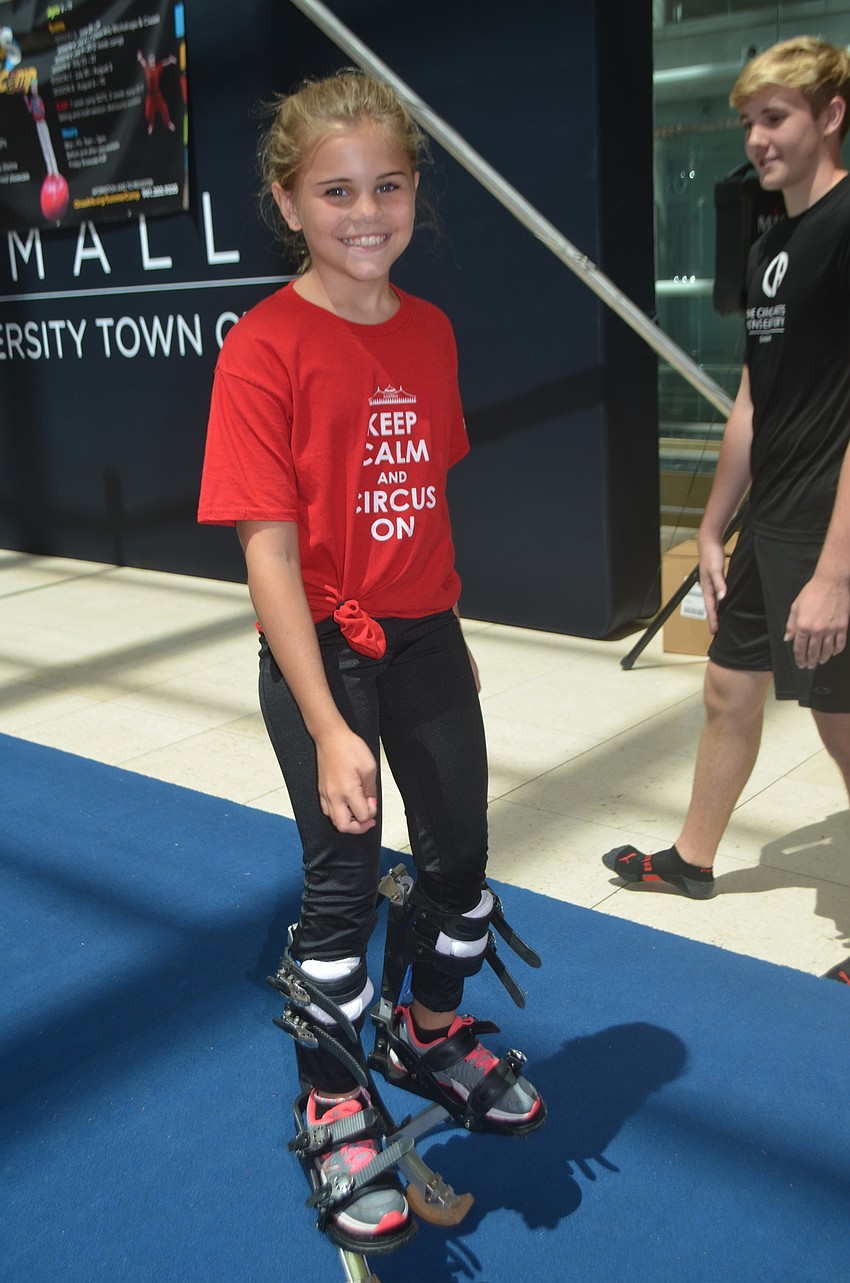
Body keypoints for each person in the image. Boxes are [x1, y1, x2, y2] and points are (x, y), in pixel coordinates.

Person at [198, 70, 543, 1254]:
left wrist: (451, 634)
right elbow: (268, 554)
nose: (365, 210)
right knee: (344, 879)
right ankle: (335, 1093)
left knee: (460, 858)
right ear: (287, 203)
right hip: (319, 652)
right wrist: (331, 722)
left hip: (424, 634)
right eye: (334, 190)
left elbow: (420, 501)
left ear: (413, 196)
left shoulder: (432, 330)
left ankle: (427, 1026)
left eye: (387, 186)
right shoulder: (261, 347)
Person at [603, 36, 850, 987]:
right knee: (728, 687)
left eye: (776, 116)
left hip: (830, 524)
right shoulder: (768, 241)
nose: (755, 137)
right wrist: (711, 524)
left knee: (841, 725)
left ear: (831, 116)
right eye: (749, 119)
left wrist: (835, 571)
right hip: (772, 515)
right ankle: (694, 858)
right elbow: (754, 395)